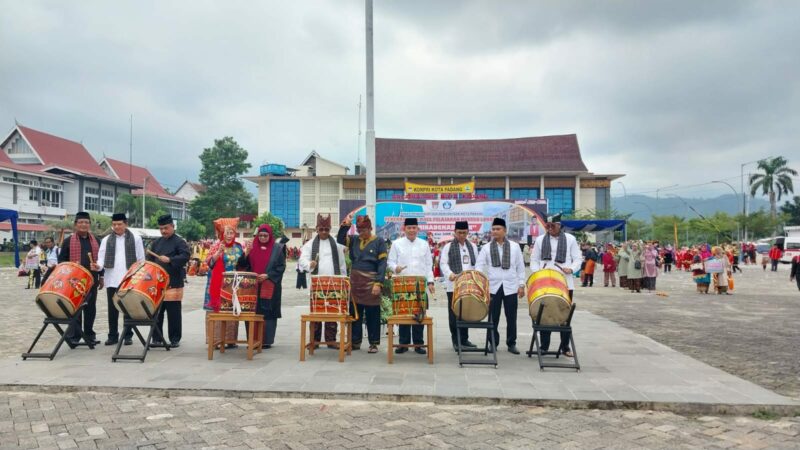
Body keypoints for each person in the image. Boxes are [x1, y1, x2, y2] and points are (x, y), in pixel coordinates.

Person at [530, 214, 582, 357]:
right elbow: (534, 260)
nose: (550, 228)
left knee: (564, 314)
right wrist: (538, 272)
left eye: (553, 225)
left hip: (565, 282)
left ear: (559, 225)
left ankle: (565, 347)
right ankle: (544, 346)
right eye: (548, 225)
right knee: (545, 313)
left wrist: (571, 269)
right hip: (545, 281)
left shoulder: (570, 239)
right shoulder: (540, 240)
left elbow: (578, 259)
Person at [337, 214, 387, 354]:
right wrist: (346, 225)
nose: (361, 233)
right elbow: (340, 239)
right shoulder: (353, 240)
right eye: (359, 230)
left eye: (364, 230)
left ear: (370, 228)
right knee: (354, 314)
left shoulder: (379, 242)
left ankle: (374, 343)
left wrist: (378, 283)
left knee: (373, 314)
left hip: (372, 283)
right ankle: (355, 341)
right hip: (355, 282)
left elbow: (382, 264)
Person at [476, 217, 526, 355]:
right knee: (493, 317)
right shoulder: (486, 248)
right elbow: (479, 265)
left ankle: (511, 343)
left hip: (511, 286)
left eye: (498, 229)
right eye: (493, 229)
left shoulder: (515, 247)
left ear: (505, 231)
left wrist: (521, 285)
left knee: (511, 317)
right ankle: (493, 342)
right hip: (493, 287)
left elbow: (520, 268)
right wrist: (481, 282)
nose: (495, 231)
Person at [95, 213, 144, 346]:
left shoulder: (136, 238)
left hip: (129, 278)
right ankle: (112, 335)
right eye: (114, 224)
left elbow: (141, 259)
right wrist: (98, 266)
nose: (116, 227)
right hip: (112, 278)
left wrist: (138, 277)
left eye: (119, 224)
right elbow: (101, 258)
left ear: (125, 224)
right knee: (112, 309)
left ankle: (128, 335)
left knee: (128, 308)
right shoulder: (106, 240)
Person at [387, 217, 435, 356]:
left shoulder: (424, 244)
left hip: (419, 285)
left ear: (418, 229)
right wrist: (396, 268)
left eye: (414, 228)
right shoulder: (397, 244)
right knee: (404, 314)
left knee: (419, 314)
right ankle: (403, 343)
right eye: (409, 228)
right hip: (402, 284)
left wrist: (430, 282)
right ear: (404, 229)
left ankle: (418, 344)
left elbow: (428, 265)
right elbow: (390, 261)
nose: (412, 230)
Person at [298, 214, 346, 349]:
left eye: (326, 229)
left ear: (330, 229)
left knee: (332, 312)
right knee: (316, 313)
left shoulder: (337, 244)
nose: (324, 232)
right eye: (321, 229)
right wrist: (310, 265)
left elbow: (342, 265)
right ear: (317, 229)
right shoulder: (309, 244)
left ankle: (331, 340)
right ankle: (314, 341)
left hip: (334, 283)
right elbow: (302, 260)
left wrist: (343, 281)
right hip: (317, 284)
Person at [238, 223, 286, 349]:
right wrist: (246, 253)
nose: (263, 238)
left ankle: (266, 341)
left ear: (270, 236)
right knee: (252, 311)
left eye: (265, 235)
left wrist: (268, 275)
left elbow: (281, 267)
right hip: (252, 286)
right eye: (260, 235)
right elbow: (242, 265)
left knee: (268, 312)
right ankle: (253, 338)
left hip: (269, 286)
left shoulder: (277, 249)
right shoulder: (252, 247)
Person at [146, 214, 190, 347]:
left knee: (174, 313)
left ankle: (175, 338)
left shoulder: (180, 242)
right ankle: (157, 337)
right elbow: (150, 260)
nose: (163, 231)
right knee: (156, 313)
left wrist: (171, 259)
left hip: (173, 282)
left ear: (172, 226)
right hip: (157, 283)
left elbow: (185, 256)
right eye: (161, 228)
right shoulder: (156, 242)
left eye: (166, 228)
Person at [58, 212, 101, 347]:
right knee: (75, 307)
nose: (83, 225)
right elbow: (61, 262)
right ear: (76, 225)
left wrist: (102, 275)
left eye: (86, 222)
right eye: (81, 222)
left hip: (91, 279)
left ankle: (89, 334)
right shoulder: (68, 241)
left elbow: (101, 260)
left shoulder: (96, 241)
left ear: (89, 225)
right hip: (73, 281)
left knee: (90, 308)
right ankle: (75, 335)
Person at [204, 218, 245, 348]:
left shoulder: (239, 247)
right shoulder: (216, 246)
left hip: (233, 285)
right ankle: (214, 340)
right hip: (217, 283)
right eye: (226, 233)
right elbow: (209, 263)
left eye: (231, 233)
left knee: (231, 309)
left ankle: (230, 340)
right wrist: (218, 253)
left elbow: (244, 263)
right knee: (215, 310)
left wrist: (248, 252)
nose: (229, 236)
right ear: (222, 234)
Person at [439, 220, 479, 351]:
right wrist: (449, 273)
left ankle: (464, 339)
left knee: (466, 312)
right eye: (459, 232)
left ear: (468, 232)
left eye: (464, 232)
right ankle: (456, 340)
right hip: (454, 285)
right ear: (455, 232)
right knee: (454, 313)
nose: (462, 235)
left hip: (468, 285)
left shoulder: (472, 246)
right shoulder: (448, 246)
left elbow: (477, 264)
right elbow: (443, 263)